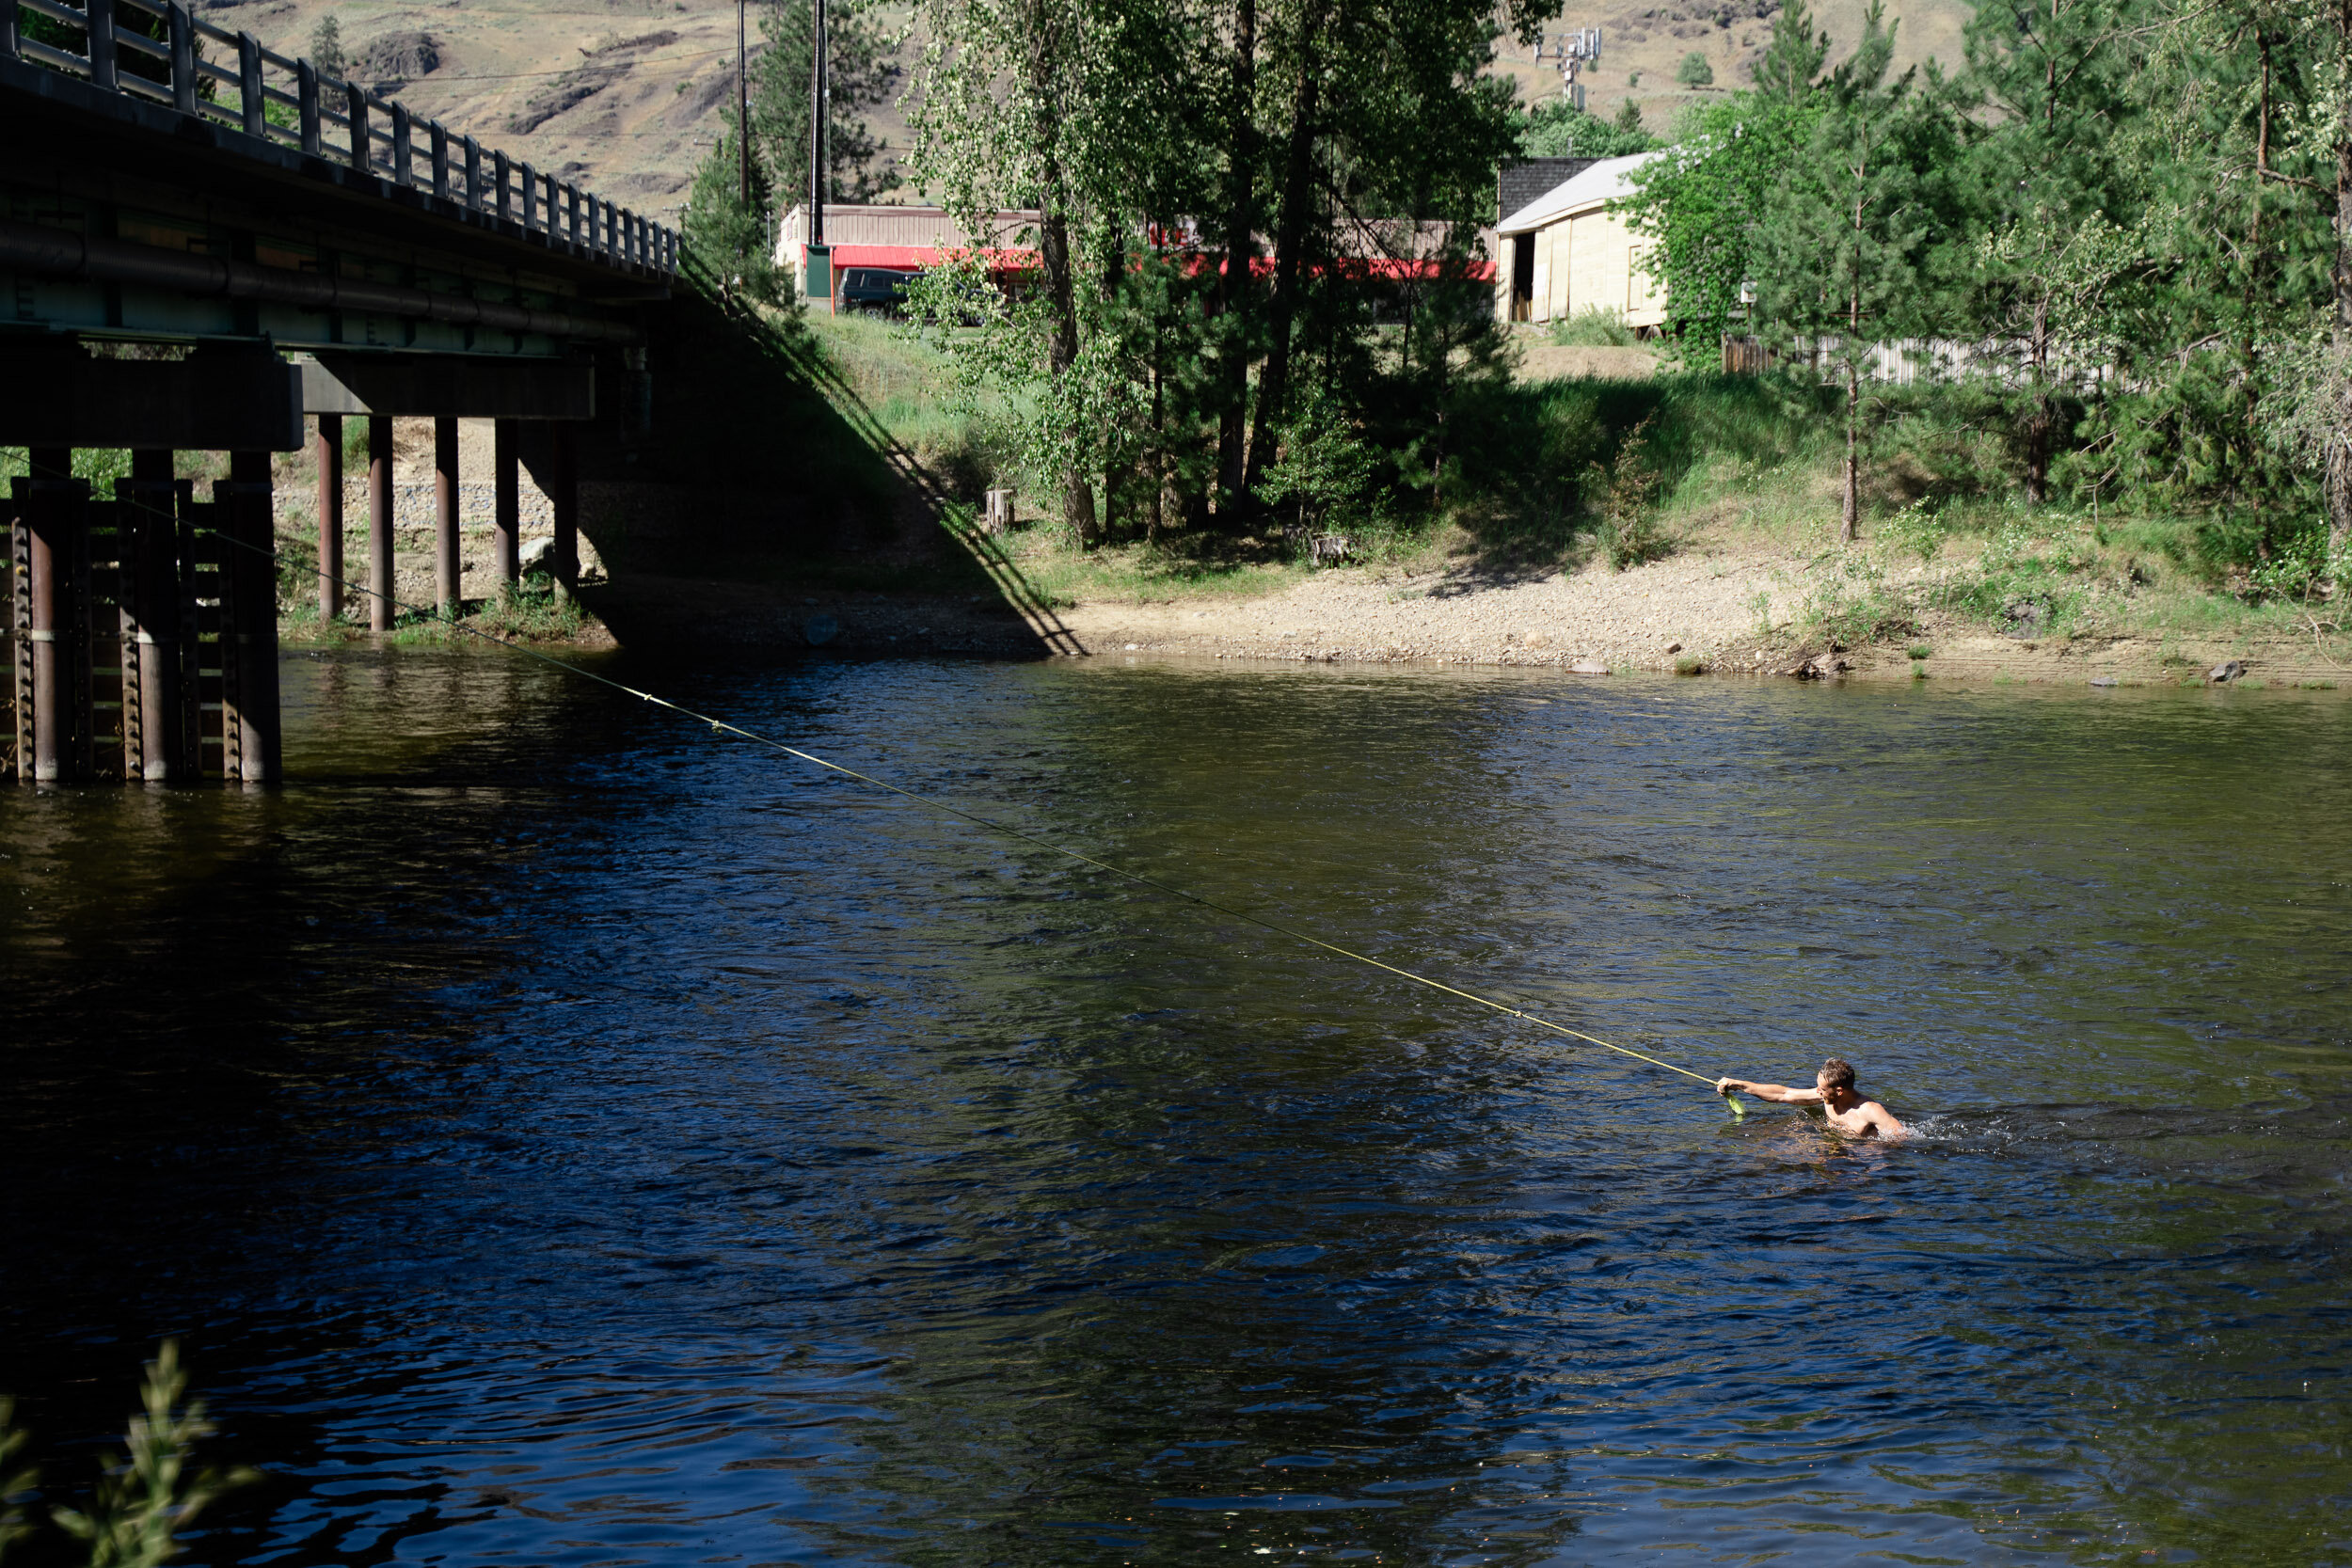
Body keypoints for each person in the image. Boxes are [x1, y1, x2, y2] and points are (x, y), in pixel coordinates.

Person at [1717, 1056, 1906, 1139]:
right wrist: (1738, 1084)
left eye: (1822, 1089)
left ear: (1839, 1091)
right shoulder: (1825, 1097)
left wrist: (1869, 1154)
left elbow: (1902, 1138)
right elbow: (1783, 1094)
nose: (1817, 1091)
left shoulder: (1869, 1110)